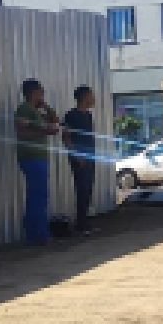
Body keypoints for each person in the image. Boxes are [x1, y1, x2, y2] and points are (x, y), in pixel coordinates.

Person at [14, 78, 59, 245]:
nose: (43, 94)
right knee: (38, 196)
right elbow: (22, 133)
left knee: (39, 195)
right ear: (34, 92)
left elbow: (55, 122)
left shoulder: (36, 111)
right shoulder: (24, 109)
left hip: (39, 158)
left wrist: (46, 107)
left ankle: (37, 233)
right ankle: (38, 234)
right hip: (31, 158)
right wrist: (45, 132)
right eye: (41, 91)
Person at [62, 85, 97, 236]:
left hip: (90, 156)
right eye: (91, 95)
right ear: (84, 97)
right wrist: (76, 155)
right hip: (79, 158)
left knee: (88, 189)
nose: (93, 98)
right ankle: (81, 224)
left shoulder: (88, 115)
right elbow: (66, 137)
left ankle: (85, 222)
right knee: (82, 189)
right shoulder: (71, 115)